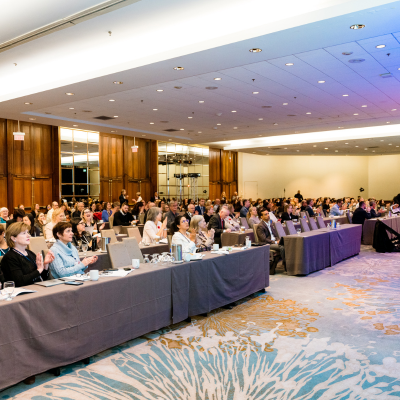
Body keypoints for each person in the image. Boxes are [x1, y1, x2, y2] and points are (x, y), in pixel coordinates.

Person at [1, 222, 55, 287]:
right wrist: (39, 270)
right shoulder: (9, 258)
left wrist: (45, 265)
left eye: (27, 232)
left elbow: (43, 278)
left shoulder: (30, 253)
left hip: (37, 289)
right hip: (23, 294)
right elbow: (19, 282)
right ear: (13, 238)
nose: (28, 235)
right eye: (24, 233)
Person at [256, 208, 285, 275]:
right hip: (266, 243)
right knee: (282, 247)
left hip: (273, 242)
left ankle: (287, 263)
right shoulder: (260, 226)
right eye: (265, 214)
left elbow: (274, 234)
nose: (268, 215)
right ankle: (286, 264)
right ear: (261, 217)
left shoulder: (269, 224)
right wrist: (275, 242)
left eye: (268, 213)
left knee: (286, 244)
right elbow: (263, 239)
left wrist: (278, 239)